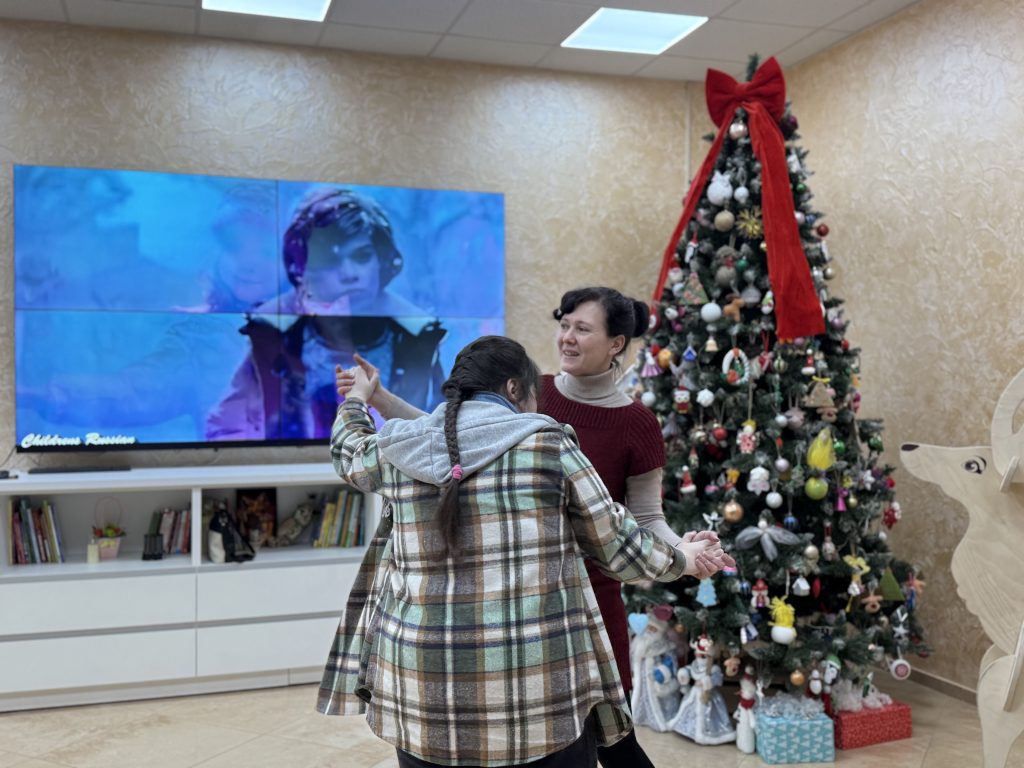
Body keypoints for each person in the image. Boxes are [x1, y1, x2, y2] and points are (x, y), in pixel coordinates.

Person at [318, 335, 733, 767]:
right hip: (536, 699)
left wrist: (359, 398)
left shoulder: (396, 447)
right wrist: (684, 558)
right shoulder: (549, 446)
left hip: (419, 695)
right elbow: (618, 545)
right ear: (515, 389)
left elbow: (347, 450)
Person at [205, 187, 447, 441]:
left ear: (382, 258)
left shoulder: (420, 333)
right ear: (304, 269)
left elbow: (446, 434)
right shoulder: (273, 332)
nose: (350, 274)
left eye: (362, 256)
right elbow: (223, 428)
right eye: (332, 261)